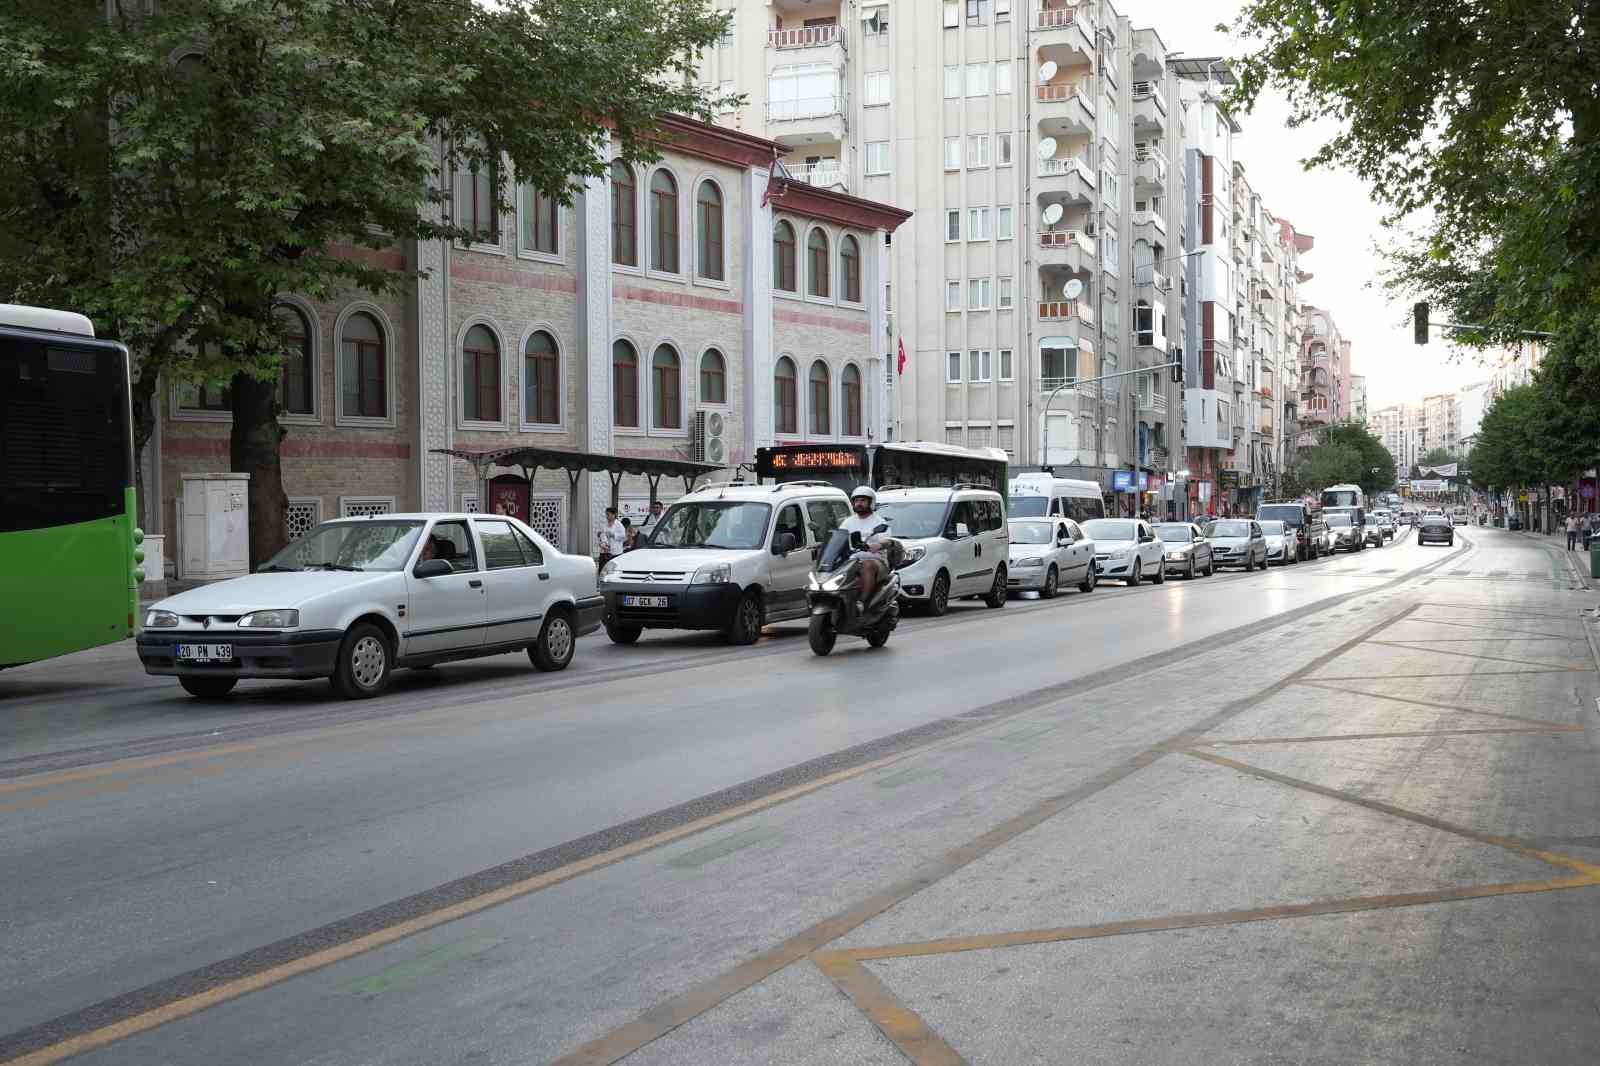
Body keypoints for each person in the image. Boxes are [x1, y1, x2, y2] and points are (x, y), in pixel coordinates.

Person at [840, 485, 891, 610]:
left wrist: (878, 545)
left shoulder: (880, 522)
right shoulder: (848, 521)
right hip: (853, 559)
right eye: (857, 501)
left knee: (867, 565)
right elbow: (840, 536)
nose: (859, 503)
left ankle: (862, 602)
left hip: (876, 560)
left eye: (863, 500)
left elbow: (887, 540)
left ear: (871, 502)